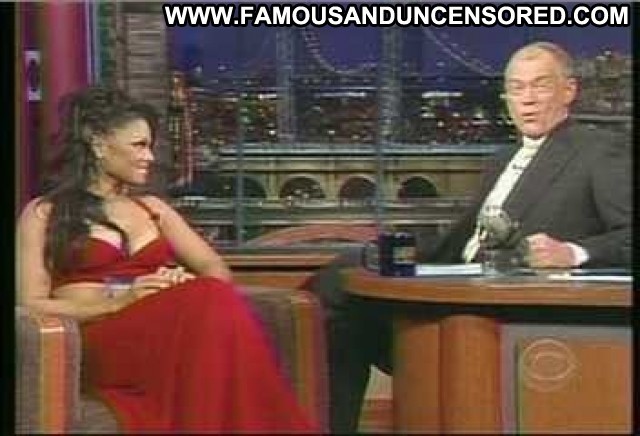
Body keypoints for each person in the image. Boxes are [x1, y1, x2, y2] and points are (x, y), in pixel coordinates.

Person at [308, 41, 631, 433]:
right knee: (339, 282)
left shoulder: (597, 150)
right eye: (517, 88)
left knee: (340, 298)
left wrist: (574, 253)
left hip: (508, 305)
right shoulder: (501, 159)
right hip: (453, 283)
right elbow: (460, 244)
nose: (527, 99)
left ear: (568, 90)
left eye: (540, 86)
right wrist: (396, 251)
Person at [17, 86, 318, 433]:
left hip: (164, 330)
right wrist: (119, 302)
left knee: (210, 294)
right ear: (99, 145)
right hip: (100, 336)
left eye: (150, 146)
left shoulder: (154, 209)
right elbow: (31, 303)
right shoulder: (44, 213)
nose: (149, 157)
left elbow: (215, 270)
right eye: (139, 145)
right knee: (209, 300)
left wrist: (179, 284)